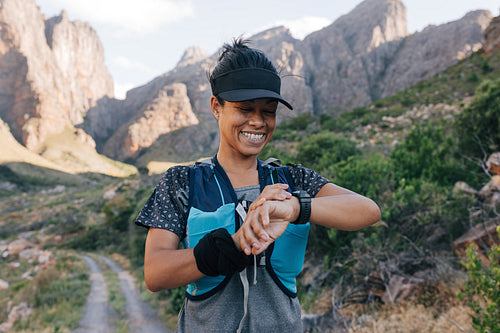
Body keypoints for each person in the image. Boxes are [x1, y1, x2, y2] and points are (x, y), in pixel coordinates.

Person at [135, 38, 381, 332]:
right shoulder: (182, 183)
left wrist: (294, 208)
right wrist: (234, 245)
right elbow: (155, 273)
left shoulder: (292, 180)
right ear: (217, 107)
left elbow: (368, 210)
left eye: (268, 110)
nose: (258, 121)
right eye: (244, 108)